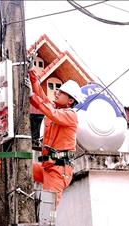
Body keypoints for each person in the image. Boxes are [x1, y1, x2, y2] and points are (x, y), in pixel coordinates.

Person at [26, 69, 85, 206]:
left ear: (70, 100)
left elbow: (49, 111)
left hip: (59, 171)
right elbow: (43, 100)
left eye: (61, 92)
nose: (57, 92)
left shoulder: (71, 115)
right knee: (20, 166)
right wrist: (33, 78)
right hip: (47, 167)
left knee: (48, 211)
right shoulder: (55, 109)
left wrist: (32, 96)